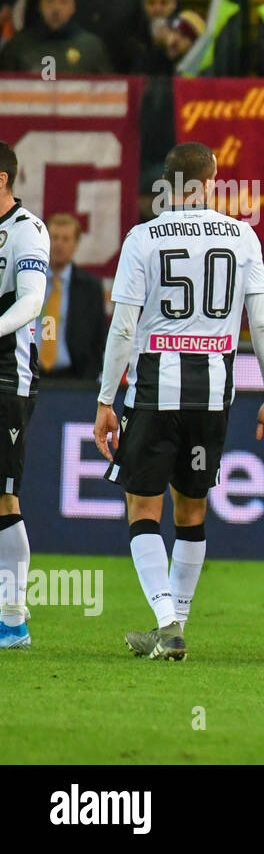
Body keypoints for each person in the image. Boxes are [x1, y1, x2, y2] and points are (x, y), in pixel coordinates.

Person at [94, 142, 264, 661]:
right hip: (215, 391)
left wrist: (106, 399)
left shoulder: (143, 238)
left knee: (142, 506)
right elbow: (261, 323)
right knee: (193, 508)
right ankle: (174, 624)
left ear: (167, 182)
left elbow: (124, 326)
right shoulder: (243, 237)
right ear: (213, 179)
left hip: (156, 388)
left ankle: (166, 622)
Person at [0, 141, 51, 650]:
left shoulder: (26, 231)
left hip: (6, 379)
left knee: (4, 496)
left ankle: (13, 621)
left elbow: (33, 301)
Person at [41, 213, 108, 381]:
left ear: (76, 244)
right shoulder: (29, 280)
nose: (58, 244)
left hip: (74, 382)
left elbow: (99, 340)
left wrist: (89, 379)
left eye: (65, 239)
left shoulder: (90, 287)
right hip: (30, 377)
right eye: (54, 237)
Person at [0, 0, 113, 74]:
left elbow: (108, 91)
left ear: (73, 7)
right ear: (40, 6)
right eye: (50, 1)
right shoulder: (17, 46)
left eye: (63, 2)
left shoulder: (92, 47)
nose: (56, 8)